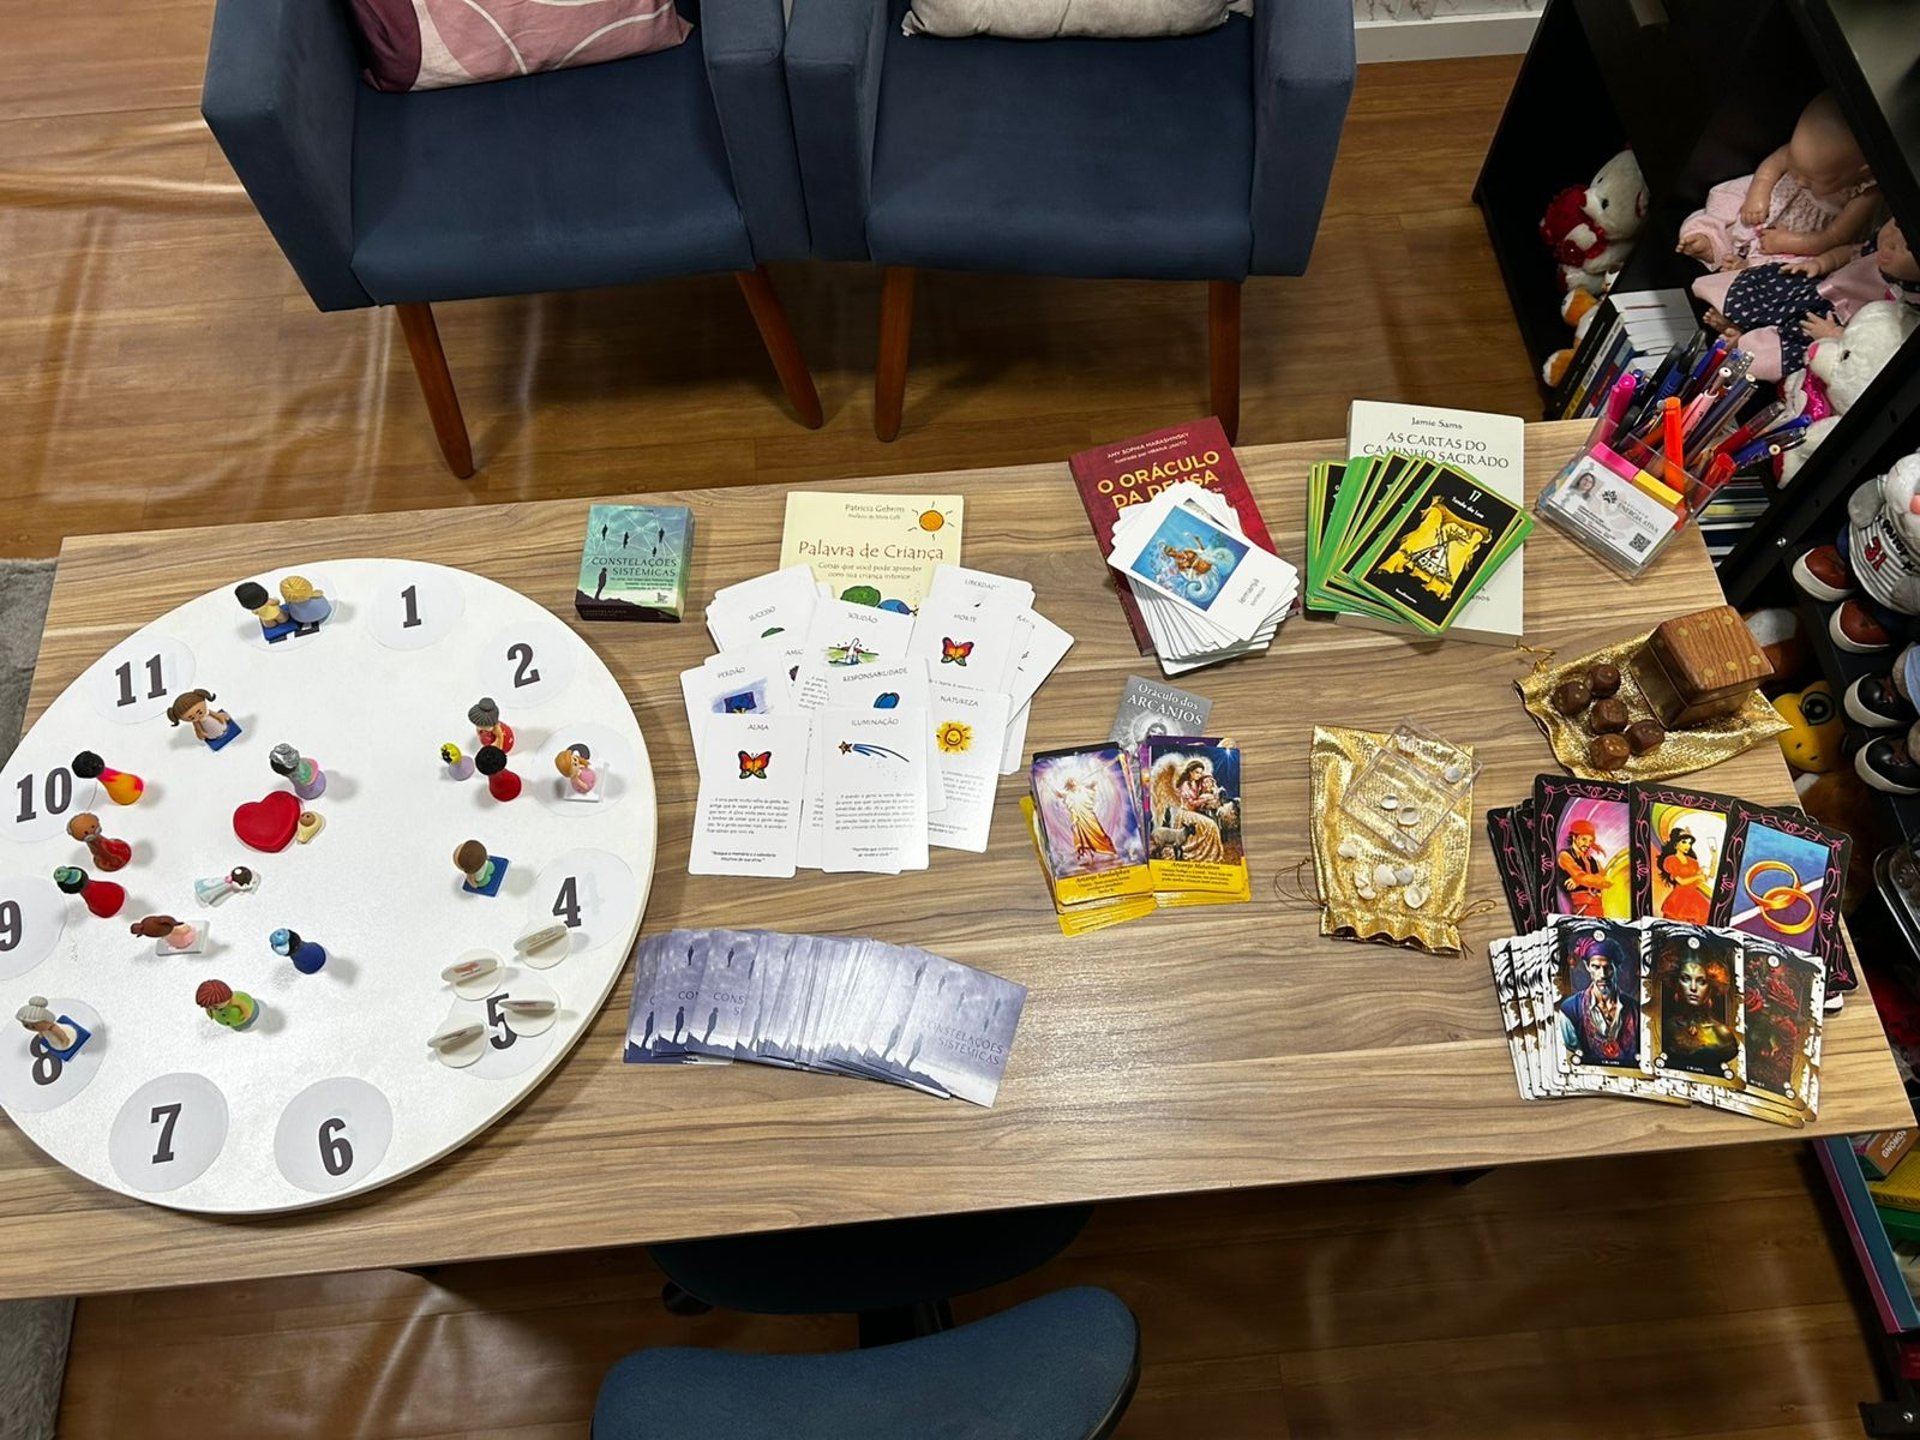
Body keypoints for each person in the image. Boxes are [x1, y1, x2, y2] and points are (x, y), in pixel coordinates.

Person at [1557, 933, 1638, 1066]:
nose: (1602, 975)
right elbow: (1571, 1056)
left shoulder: (1635, 1010)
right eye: (1596, 967)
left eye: (1608, 967)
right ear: (1587, 966)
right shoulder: (1570, 1009)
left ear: (1617, 968)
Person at [1660, 944, 1738, 1073]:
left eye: (1701, 981)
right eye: (1686, 979)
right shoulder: (1666, 1027)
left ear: (1711, 985)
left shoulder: (1722, 1033)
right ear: (1676, 982)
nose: (1693, 988)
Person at [1657, 828, 1713, 924]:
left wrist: (1714, 857)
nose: (1688, 846)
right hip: (1679, 899)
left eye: (1689, 843)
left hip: (1695, 899)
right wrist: (1698, 877)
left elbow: (1708, 877)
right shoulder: (1671, 860)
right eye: (1684, 842)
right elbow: (1681, 881)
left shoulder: (1693, 862)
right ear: (1675, 844)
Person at [1556, 819, 1609, 918]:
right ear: (1574, 837)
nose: (1587, 844)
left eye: (1590, 841)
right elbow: (1581, 876)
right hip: (1582, 909)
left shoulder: (1592, 860)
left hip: (1598, 908)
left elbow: (1606, 880)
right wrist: (1582, 879)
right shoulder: (1565, 856)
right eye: (1584, 839)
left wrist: (1578, 881)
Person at [167, 689, 237, 748]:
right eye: (192, 717)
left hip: (221, 725)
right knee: (214, 733)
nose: (198, 716)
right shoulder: (196, 722)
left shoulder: (207, 713)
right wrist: (201, 733)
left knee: (222, 727)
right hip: (211, 734)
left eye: (199, 712)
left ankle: (224, 729)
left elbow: (215, 715)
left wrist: (220, 716)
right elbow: (198, 729)